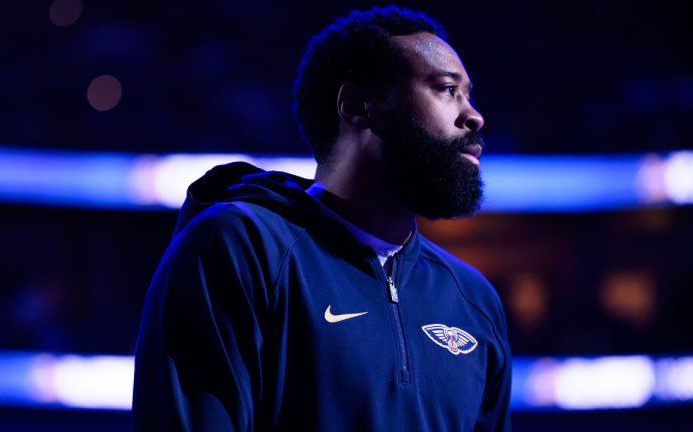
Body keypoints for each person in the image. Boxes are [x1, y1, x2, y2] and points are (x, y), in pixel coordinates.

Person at [133, 6, 511, 431]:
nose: (473, 116)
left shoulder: (475, 301)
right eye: (446, 89)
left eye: (468, 94)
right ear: (358, 107)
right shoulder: (238, 247)